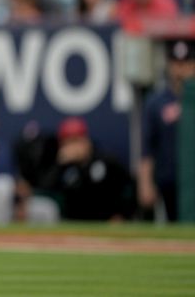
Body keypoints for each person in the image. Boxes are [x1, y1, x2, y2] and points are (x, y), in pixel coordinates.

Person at [140, 39, 195, 222]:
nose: (181, 69)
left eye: (186, 63)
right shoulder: (156, 102)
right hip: (168, 177)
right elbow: (147, 147)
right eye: (176, 63)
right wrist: (146, 183)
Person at [41, 117, 134, 221]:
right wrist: (59, 164)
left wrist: (122, 214)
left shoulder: (106, 161)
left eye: (76, 140)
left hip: (106, 222)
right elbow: (46, 191)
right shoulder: (63, 167)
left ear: (85, 140)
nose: (73, 147)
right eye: (68, 143)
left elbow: (128, 187)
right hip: (73, 223)